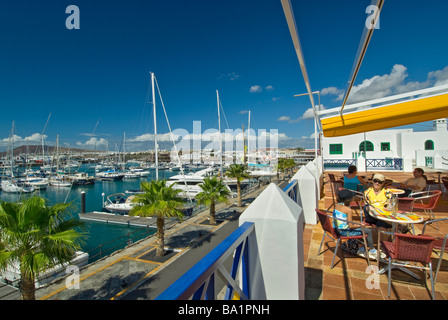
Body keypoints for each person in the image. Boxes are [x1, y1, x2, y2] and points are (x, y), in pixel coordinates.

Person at [333, 189, 378, 260]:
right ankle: (372, 250)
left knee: (362, 229)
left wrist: (358, 225)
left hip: (337, 229)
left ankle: (361, 248)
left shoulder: (337, 206)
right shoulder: (348, 210)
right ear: (349, 200)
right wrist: (360, 225)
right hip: (344, 232)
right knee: (367, 231)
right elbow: (351, 226)